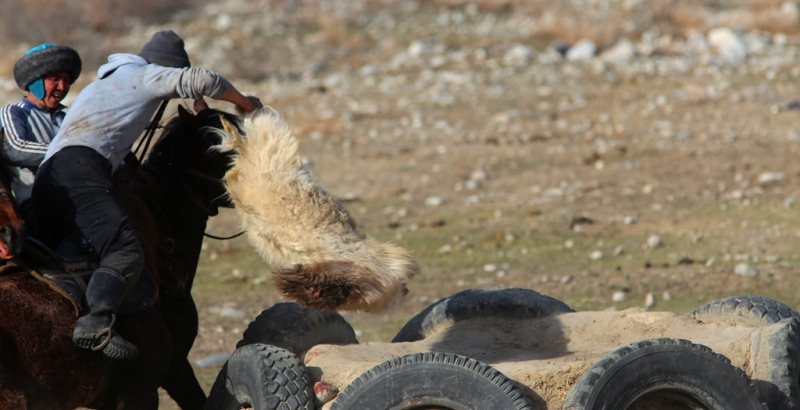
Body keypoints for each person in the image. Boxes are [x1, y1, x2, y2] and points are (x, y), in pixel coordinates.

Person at [31, 30, 262, 360]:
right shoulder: (144, 75)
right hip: (82, 169)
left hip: (48, 179)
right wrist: (243, 103)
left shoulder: (105, 84)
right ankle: (94, 324)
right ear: (166, 69)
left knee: (69, 260)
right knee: (125, 249)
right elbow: (204, 79)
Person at [0, 43, 81, 224]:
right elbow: (16, 148)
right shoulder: (13, 112)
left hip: (78, 197)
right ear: (36, 81)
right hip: (37, 202)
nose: (62, 86)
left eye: (67, 80)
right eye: (55, 79)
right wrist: (71, 154)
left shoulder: (69, 117)